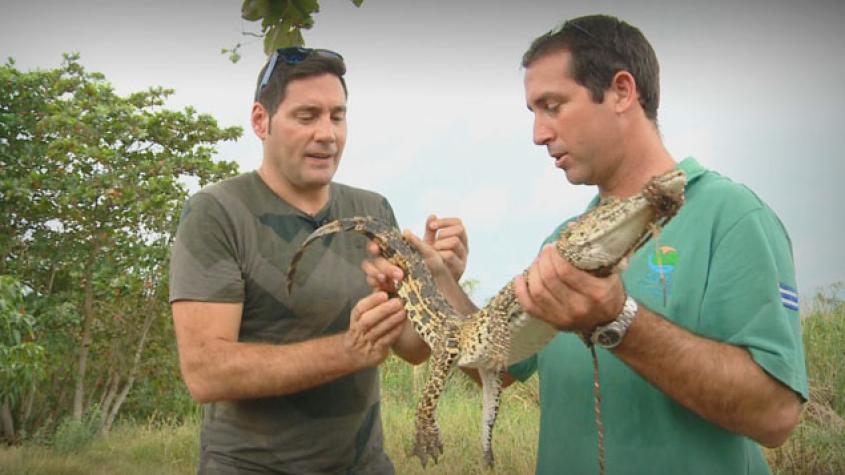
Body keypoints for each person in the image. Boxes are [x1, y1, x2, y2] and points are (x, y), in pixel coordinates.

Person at [363, 14, 806, 475]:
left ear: (621, 91)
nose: (538, 134)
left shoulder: (730, 216)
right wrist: (441, 283)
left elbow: (775, 415)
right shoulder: (563, 240)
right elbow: (501, 364)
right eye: (533, 113)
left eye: (553, 105)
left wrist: (619, 321)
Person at [169, 47, 467, 474]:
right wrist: (348, 351)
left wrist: (442, 282)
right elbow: (206, 372)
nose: (327, 134)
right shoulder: (217, 212)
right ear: (261, 121)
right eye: (306, 117)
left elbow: (412, 348)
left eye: (337, 116)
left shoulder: (373, 211)